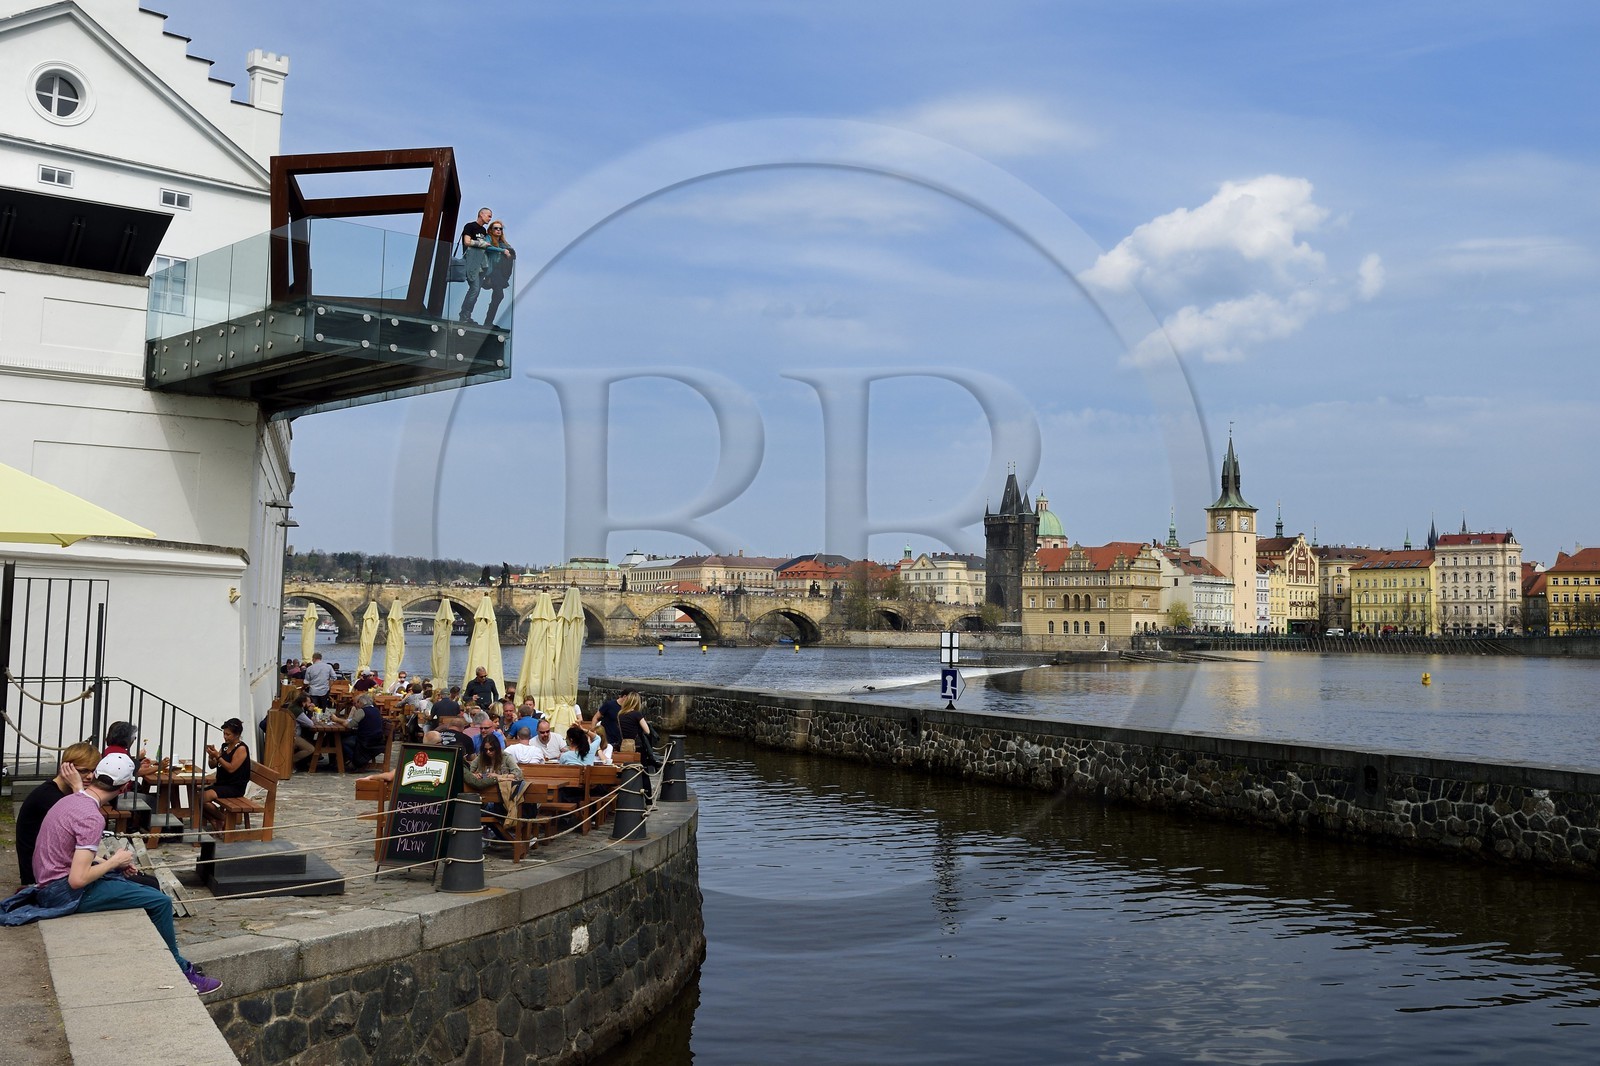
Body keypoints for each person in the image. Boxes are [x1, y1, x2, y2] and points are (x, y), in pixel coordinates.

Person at [1, 753, 221, 995]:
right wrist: (115, 860)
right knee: (160, 902)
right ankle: (182, 972)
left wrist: (109, 863)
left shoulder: (70, 801)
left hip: (49, 881)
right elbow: (77, 879)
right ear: (126, 786)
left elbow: (69, 850)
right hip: (62, 892)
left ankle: (164, 958)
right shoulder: (91, 816)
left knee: (145, 885)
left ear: (95, 776)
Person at [15, 742, 99, 886]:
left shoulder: (58, 793)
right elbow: (86, 820)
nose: (90, 776)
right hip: (43, 878)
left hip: (53, 866)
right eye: (83, 771)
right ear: (66, 768)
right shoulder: (49, 797)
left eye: (93, 771)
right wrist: (78, 789)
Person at [457, 206, 493, 322]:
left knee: (476, 291)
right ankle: (464, 314)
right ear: (481, 214)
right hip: (471, 262)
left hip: (481, 264)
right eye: (489, 216)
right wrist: (482, 244)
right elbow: (466, 242)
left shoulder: (483, 231)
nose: (490, 219)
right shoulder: (470, 226)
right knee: (474, 289)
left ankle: (467, 314)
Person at [482, 220, 515, 327]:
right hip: (492, 270)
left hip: (500, 273)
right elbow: (486, 247)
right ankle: (488, 322)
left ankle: (488, 322)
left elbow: (511, 256)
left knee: (498, 296)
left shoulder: (504, 244)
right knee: (499, 295)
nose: (498, 230)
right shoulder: (488, 239)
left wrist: (508, 252)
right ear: (491, 230)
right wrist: (502, 251)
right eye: (496, 228)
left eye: (500, 229)